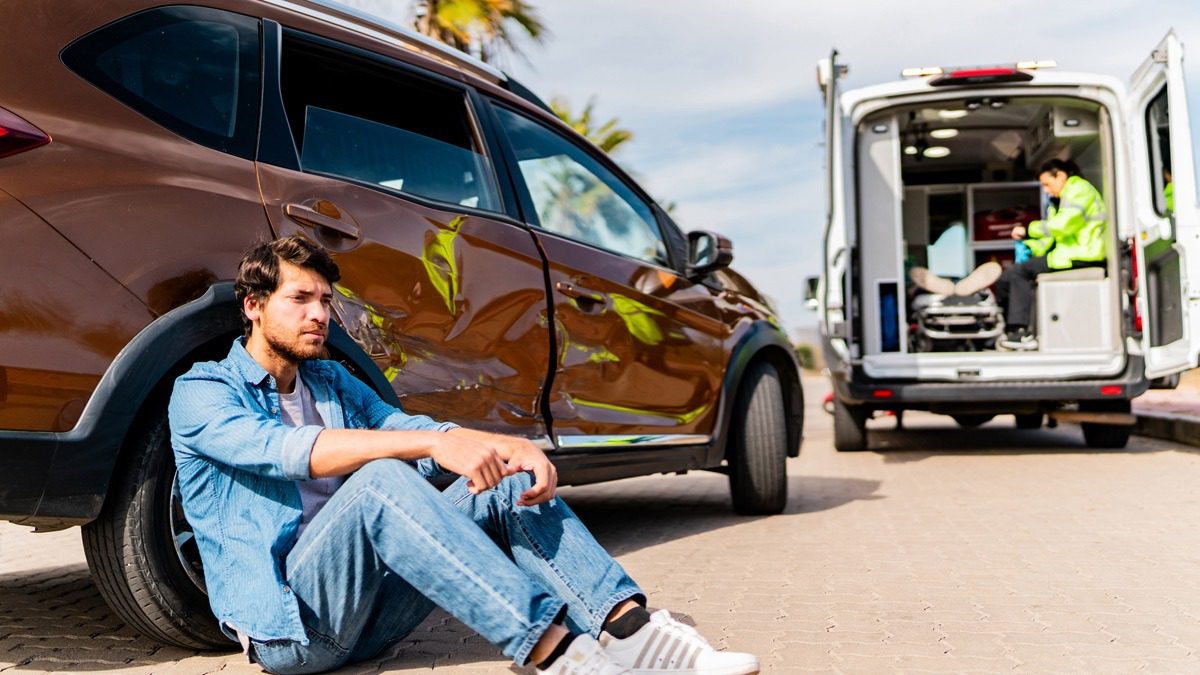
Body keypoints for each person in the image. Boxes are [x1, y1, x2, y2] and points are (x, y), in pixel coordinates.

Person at [168, 236, 760, 675]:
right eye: (300, 299)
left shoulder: (332, 382)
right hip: (295, 631)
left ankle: (632, 633)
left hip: (374, 616)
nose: (320, 314)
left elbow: (407, 426)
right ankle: (558, 654)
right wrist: (430, 442)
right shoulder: (202, 392)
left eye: (325, 300)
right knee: (378, 482)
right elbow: (291, 451)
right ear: (253, 305)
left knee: (498, 482)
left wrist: (500, 446)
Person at [995, 159, 1107, 350]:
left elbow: (1062, 226)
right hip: (1066, 255)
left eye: (1047, 184)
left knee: (1019, 273)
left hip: (1083, 256)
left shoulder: (1079, 190)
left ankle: (1020, 331)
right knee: (1006, 278)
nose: (1046, 190)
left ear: (1061, 176)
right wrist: (1031, 247)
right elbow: (1050, 238)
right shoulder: (1059, 200)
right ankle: (1010, 330)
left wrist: (1028, 230)